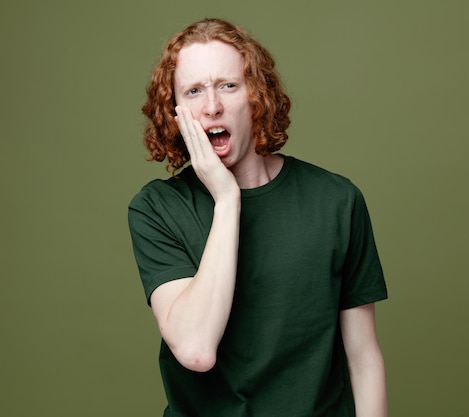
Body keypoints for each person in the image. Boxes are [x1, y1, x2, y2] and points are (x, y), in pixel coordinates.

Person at [128, 17, 388, 417]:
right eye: (194, 91)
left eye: (227, 85)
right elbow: (195, 349)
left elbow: (364, 359)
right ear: (175, 112)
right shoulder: (157, 208)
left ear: (256, 95)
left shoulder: (337, 200)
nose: (212, 106)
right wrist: (228, 199)